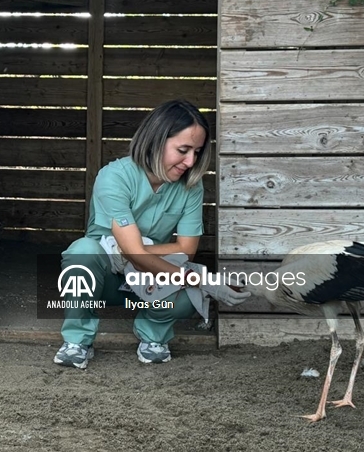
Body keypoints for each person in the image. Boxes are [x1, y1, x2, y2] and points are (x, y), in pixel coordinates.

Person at [52, 99, 247, 368]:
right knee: (82, 252)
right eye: (183, 150)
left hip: (149, 280)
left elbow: (186, 250)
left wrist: (138, 252)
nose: (191, 161)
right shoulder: (114, 177)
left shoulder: (191, 185)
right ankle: (77, 340)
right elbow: (145, 252)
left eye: (197, 152)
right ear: (156, 140)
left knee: (187, 300)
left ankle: (152, 336)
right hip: (106, 278)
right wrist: (203, 279)